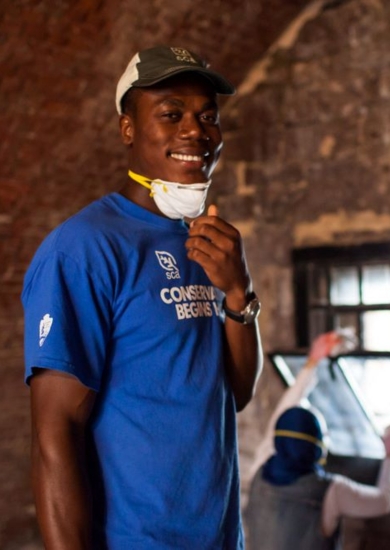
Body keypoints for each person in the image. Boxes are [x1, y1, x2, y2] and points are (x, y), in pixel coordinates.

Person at [22, 46, 262, 550]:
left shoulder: (206, 239)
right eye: (171, 114)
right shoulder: (84, 249)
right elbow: (55, 436)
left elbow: (234, 394)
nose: (195, 131)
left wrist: (239, 291)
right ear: (127, 128)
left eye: (207, 116)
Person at [244, 331, 390, 550]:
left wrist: (312, 362)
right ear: (318, 449)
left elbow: (279, 424)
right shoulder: (333, 491)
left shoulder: (259, 471)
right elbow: (384, 501)